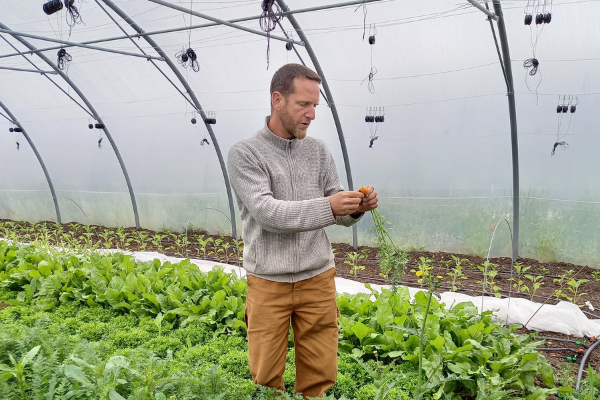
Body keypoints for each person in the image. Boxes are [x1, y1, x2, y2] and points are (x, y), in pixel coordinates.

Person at [227, 63, 378, 399]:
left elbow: (335, 206)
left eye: (315, 107)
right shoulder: (245, 153)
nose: (311, 114)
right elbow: (268, 213)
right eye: (303, 105)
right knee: (266, 378)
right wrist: (330, 206)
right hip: (269, 282)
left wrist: (356, 208)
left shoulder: (318, 150)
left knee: (319, 375)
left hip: (317, 278)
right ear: (277, 99)